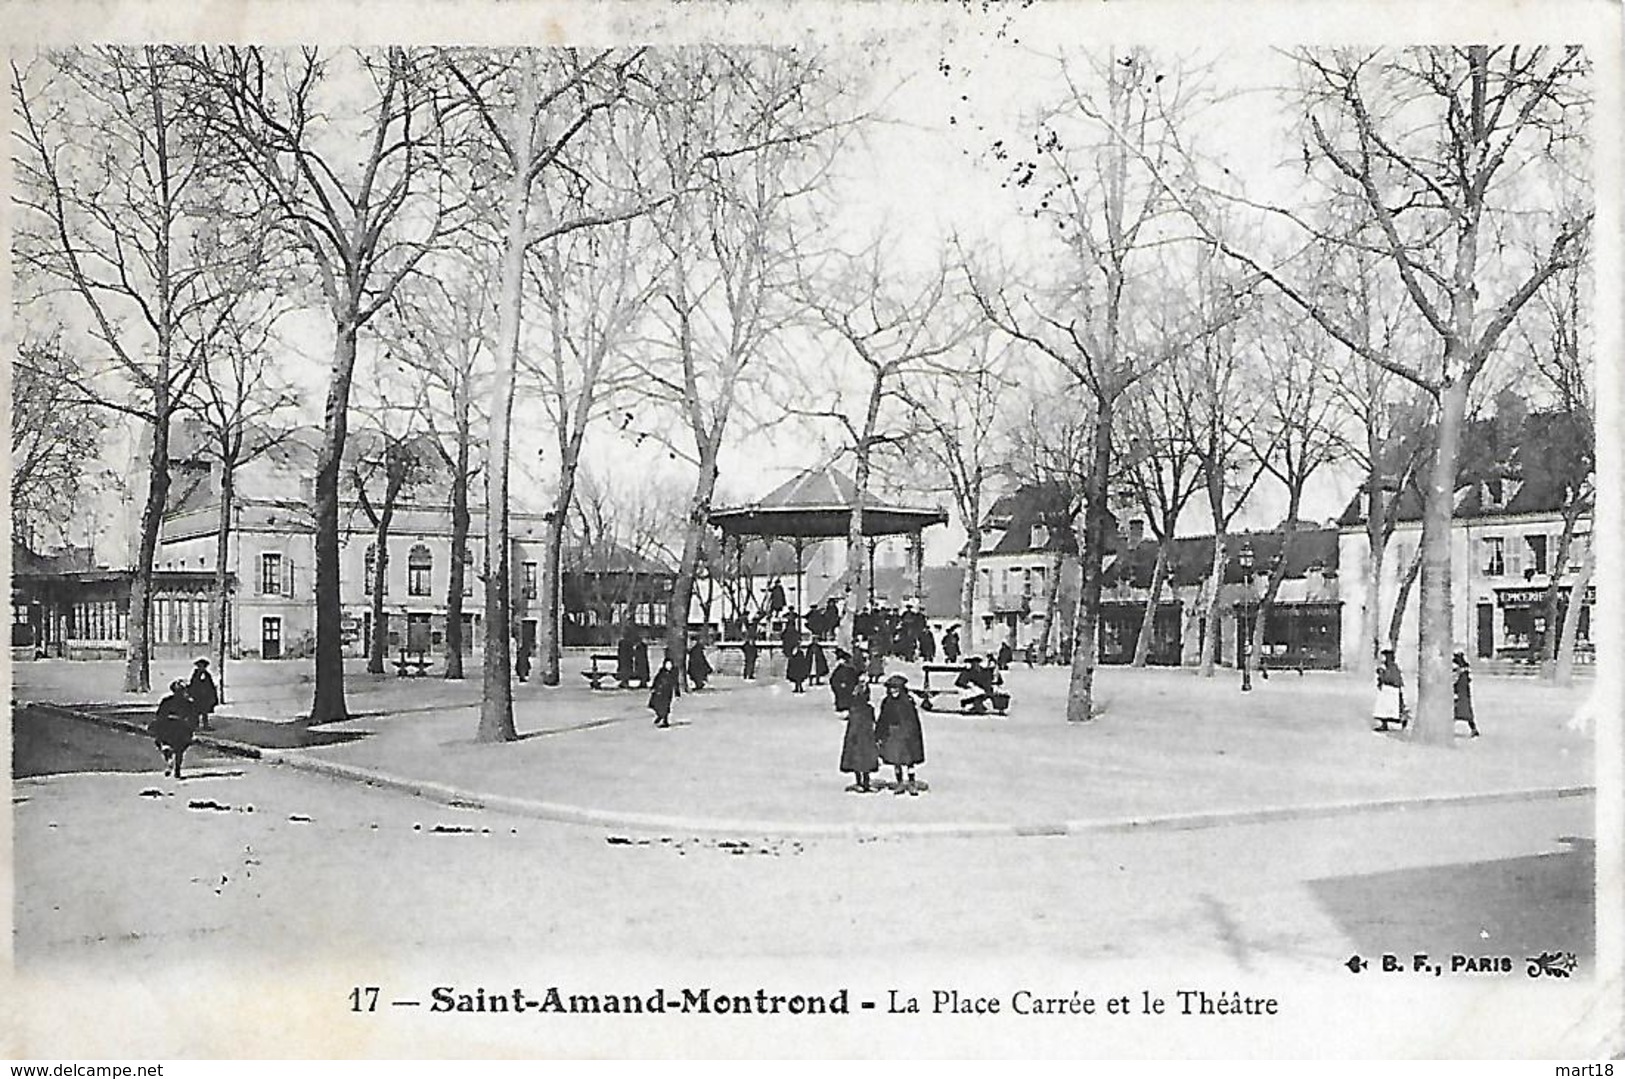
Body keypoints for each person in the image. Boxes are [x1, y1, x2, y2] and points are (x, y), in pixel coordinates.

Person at [874, 674, 925, 796]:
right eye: (891, 688)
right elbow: (883, 718)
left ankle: (911, 782)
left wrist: (913, 734)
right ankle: (900, 782)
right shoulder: (887, 702)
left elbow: (913, 720)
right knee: (896, 760)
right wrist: (879, 734)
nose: (893, 691)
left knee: (909, 760)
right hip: (892, 733)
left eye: (896, 688)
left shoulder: (907, 701)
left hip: (907, 734)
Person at [149, 680, 199, 779]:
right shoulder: (188, 703)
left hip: (168, 728)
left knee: (161, 742)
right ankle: (177, 769)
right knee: (180, 750)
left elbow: (159, 715)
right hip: (181, 729)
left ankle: (169, 758)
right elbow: (194, 718)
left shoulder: (166, 701)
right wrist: (192, 729)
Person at [839, 682, 880, 793]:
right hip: (863, 738)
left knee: (858, 761)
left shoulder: (855, 709)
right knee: (863, 761)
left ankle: (861, 782)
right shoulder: (865, 709)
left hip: (860, 738)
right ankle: (863, 782)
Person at [1373, 649, 1407, 731]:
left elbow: (1393, 679)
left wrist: (1383, 675)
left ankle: (1402, 720)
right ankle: (1384, 724)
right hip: (1386, 690)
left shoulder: (1392, 667)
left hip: (1392, 690)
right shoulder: (1385, 666)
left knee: (1393, 708)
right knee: (1383, 708)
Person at [1453, 652, 1480, 737]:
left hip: (1458, 696)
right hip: (1464, 697)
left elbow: (1455, 683)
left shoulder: (1459, 673)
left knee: (1453, 713)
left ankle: (1446, 729)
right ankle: (1473, 729)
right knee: (1466, 714)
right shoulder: (1464, 673)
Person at [188, 658, 219, 730]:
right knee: (195, 712)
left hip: (205, 697)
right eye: (200, 666)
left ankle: (205, 725)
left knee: (205, 712)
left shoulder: (207, 675)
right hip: (197, 696)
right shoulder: (195, 675)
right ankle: (195, 725)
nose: (202, 668)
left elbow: (210, 685)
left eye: (203, 666)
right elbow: (193, 684)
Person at [648, 657, 678, 728]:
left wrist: (677, 692)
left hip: (667, 692)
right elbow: (656, 680)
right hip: (659, 691)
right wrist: (653, 687)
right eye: (667, 665)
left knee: (665, 706)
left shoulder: (673, 673)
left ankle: (665, 721)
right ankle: (660, 715)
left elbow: (675, 683)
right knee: (655, 705)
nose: (669, 666)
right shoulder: (661, 672)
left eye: (670, 665)